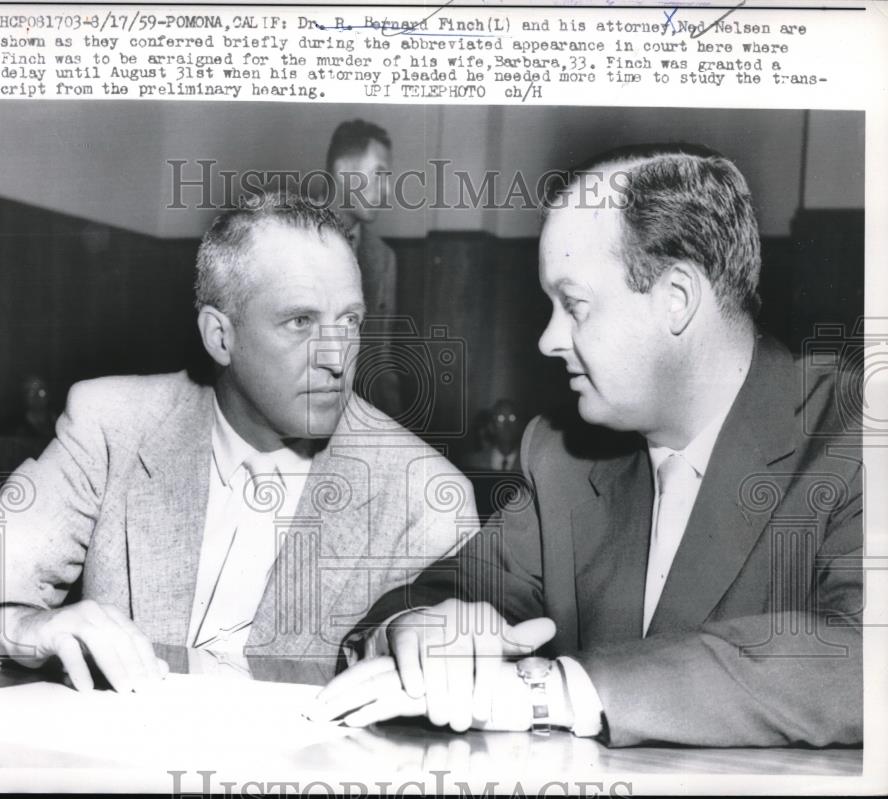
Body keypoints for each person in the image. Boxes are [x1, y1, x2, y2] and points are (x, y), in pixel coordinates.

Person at [311, 144, 863, 748]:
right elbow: (448, 592)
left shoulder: (857, 433)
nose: (548, 340)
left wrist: (555, 690)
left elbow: (864, 659)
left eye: (573, 305)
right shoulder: (564, 458)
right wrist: (415, 629)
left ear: (676, 299)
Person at [0, 192, 474, 691]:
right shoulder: (112, 426)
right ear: (221, 336)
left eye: (350, 320)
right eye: (300, 322)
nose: (337, 358)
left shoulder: (422, 493)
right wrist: (25, 626)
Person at [324, 119, 402, 419]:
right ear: (344, 173)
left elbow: (382, 361)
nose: (388, 191)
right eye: (379, 174)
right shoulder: (286, 238)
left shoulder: (384, 259)